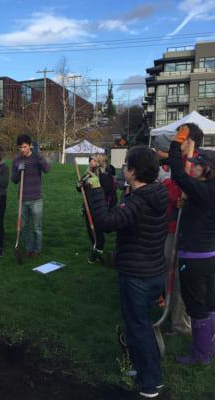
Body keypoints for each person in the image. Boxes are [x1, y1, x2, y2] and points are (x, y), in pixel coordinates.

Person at [87, 146, 168, 398]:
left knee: (138, 328)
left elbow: (106, 222)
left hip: (137, 275)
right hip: (154, 271)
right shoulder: (158, 193)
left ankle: (150, 385)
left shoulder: (139, 201)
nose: (123, 170)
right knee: (143, 325)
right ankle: (152, 373)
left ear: (133, 171)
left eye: (125, 166)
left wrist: (97, 191)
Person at [168, 124, 215, 365]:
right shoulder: (207, 189)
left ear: (206, 170)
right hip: (210, 256)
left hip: (194, 258)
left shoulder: (202, 190)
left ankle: (200, 355)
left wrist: (177, 142)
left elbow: (176, 172)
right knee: (209, 303)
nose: (193, 165)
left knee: (196, 306)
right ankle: (209, 346)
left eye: (197, 164)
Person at [153, 134, 193, 336]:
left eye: (182, 140)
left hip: (181, 230)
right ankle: (170, 314)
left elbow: (182, 192)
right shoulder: (178, 164)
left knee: (177, 277)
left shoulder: (192, 165)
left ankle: (180, 324)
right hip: (169, 226)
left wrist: (166, 188)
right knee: (168, 272)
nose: (179, 144)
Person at [11, 134, 50, 258]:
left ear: (30, 146)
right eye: (20, 147)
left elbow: (47, 169)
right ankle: (28, 248)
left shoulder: (36, 157)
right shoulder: (17, 160)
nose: (22, 149)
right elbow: (14, 180)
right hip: (22, 199)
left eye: (24, 147)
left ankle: (37, 250)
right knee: (24, 227)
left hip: (36, 198)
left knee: (36, 227)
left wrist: (38, 155)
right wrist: (18, 170)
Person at [76, 154, 116, 263]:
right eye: (90, 160)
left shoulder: (105, 175)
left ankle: (98, 250)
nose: (91, 162)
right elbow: (81, 189)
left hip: (100, 207)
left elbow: (108, 192)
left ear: (100, 162)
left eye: (94, 160)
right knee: (90, 229)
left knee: (97, 229)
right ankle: (95, 246)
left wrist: (95, 186)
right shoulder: (87, 174)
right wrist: (79, 185)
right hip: (88, 206)